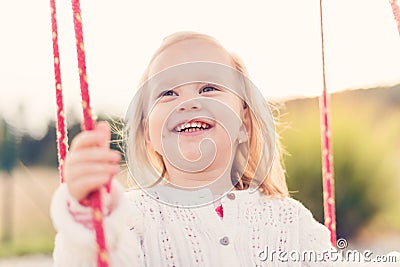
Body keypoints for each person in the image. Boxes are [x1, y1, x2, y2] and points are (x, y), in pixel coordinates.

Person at [50, 32, 398, 266]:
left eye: (208, 87)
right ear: (147, 135)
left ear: (244, 124)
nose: (187, 102)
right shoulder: (131, 219)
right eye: (167, 93)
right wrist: (88, 211)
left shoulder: (290, 221)